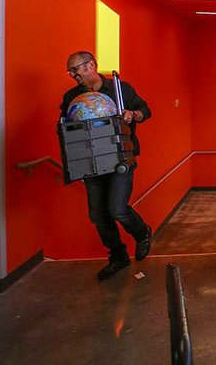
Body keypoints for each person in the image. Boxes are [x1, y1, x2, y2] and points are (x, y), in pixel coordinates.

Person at [60, 51, 153, 281]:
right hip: (91, 161)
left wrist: (133, 114)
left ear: (90, 65)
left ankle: (142, 233)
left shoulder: (120, 89)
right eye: (70, 71)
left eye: (75, 69)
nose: (72, 74)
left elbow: (146, 111)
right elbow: (65, 127)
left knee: (117, 209)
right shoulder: (72, 96)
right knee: (98, 215)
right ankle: (118, 257)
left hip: (121, 157)